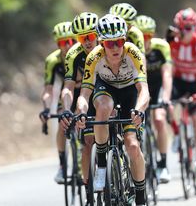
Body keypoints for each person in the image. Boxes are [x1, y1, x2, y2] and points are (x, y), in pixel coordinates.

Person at [70, 14, 149, 206]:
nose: (115, 47)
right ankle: (102, 164)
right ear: (101, 42)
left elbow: (144, 90)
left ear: (125, 40)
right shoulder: (93, 57)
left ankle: (140, 196)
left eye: (119, 41)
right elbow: (84, 94)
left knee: (132, 145)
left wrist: (138, 110)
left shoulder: (133, 53)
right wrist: (80, 112)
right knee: (103, 107)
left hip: (130, 92)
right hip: (107, 89)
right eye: (109, 43)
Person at [169, 8, 196, 186]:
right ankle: (178, 133)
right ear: (177, 28)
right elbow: (168, 69)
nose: (187, 31)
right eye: (183, 28)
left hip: (195, 83)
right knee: (166, 105)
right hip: (179, 82)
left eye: (191, 27)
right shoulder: (172, 43)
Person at [59, 12, 99, 190]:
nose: (88, 41)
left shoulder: (107, 48)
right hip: (86, 94)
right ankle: (89, 188)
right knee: (88, 141)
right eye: (83, 38)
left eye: (90, 36)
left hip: (110, 92)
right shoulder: (73, 54)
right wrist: (67, 109)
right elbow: (67, 87)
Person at [135, 15, 173, 183]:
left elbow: (167, 75)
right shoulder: (132, 49)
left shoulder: (162, 47)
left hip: (157, 87)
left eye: (148, 36)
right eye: (141, 36)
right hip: (140, 87)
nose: (145, 40)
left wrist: (165, 98)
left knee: (158, 118)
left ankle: (163, 164)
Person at [39, 21, 76, 184]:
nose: (67, 46)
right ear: (57, 44)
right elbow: (48, 90)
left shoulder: (82, 55)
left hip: (86, 93)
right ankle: (62, 165)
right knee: (62, 123)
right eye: (62, 42)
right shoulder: (52, 60)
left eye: (71, 41)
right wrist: (46, 108)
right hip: (66, 95)